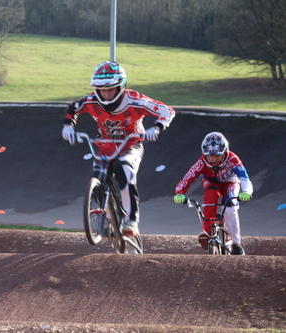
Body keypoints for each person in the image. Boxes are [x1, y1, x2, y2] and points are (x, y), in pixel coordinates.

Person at [62, 61, 175, 236]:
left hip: (131, 144)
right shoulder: (92, 101)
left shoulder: (136, 101)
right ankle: (108, 218)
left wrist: (157, 128)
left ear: (121, 87)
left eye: (111, 89)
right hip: (105, 145)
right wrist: (68, 126)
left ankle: (131, 221)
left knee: (123, 168)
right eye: (101, 90)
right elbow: (73, 107)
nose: (106, 94)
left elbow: (167, 111)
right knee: (97, 176)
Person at [173, 132, 253, 255]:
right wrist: (179, 193)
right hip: (211, 183)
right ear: (205, 154)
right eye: (211, 156)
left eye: (217, 156)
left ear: (225, 152)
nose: (214, 159)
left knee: (230, 207)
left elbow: (244, 178)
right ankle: (207, 234)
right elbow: (186, 179)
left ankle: (236, 244)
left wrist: (246, 192)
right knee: (210, 199)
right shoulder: (201, 162)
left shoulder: (233, 159)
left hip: (230, 184)